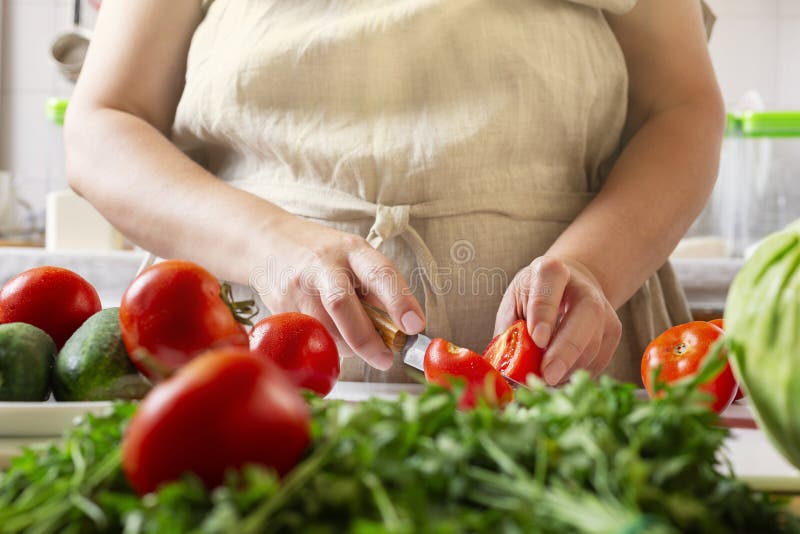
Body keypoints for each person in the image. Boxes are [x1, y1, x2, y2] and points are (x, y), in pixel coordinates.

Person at [65, 0, 724, 385]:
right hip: (244, 375)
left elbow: (683, 107)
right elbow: (103, 126)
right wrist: (275, 247)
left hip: (570, 376)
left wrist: (594, 266)